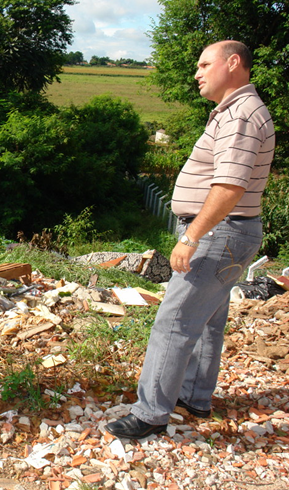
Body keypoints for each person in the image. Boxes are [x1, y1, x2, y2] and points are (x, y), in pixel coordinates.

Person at [105, 40, 275, 439]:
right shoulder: (238, 111)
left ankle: (150, 414)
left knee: (174, 320)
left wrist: (193, 236)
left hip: (220, 231)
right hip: (232, 232)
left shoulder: (241, 115)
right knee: (209, 317)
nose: (196, 73)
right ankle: (194, 396)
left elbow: (230, 186)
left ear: (233, 64)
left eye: (204, 64)